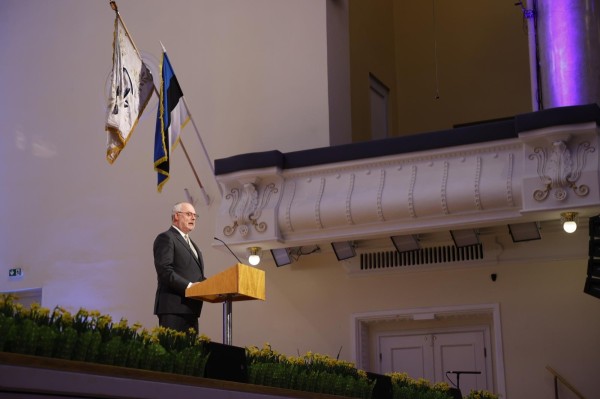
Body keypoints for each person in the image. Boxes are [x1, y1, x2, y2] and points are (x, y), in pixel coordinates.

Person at [153, 202, 206, 333]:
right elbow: (165, 271)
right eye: (189, 214)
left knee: (190, 353)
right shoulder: (166, 238)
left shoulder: (193, 245)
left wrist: (213, 285)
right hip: (173, 308)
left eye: (195, 215)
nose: (193, 218)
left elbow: (195, 275)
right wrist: (189, 287)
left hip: (191, 309)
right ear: (176, 216)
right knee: (172, 351)